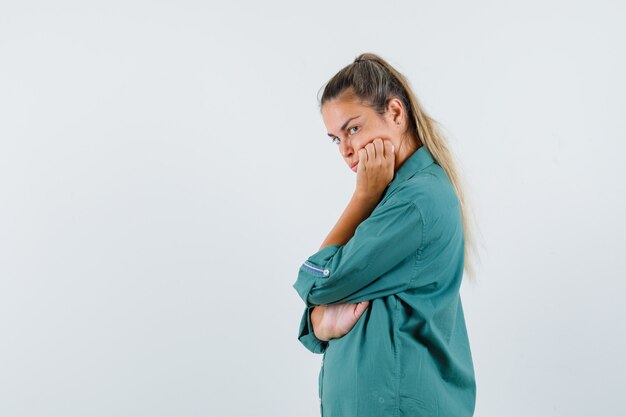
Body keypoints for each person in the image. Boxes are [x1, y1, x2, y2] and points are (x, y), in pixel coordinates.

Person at [292, 52, 478, 417]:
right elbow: (332, 298)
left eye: (354, 129)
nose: (346, 150)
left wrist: (362, 197)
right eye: (335, 139)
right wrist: (318, 323)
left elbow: (316, 283)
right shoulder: (398, 192)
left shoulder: (415, 201)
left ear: (395, 113)